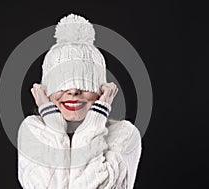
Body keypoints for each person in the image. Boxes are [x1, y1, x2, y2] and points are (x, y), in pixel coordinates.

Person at [17, 13, 142, 189]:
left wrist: (94, 122)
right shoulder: (33, 129)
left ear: (101, 91)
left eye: (85, 84)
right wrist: (54, 126)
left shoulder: (125, 134)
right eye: (62, 83)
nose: (74, 90)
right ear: (47, 91)